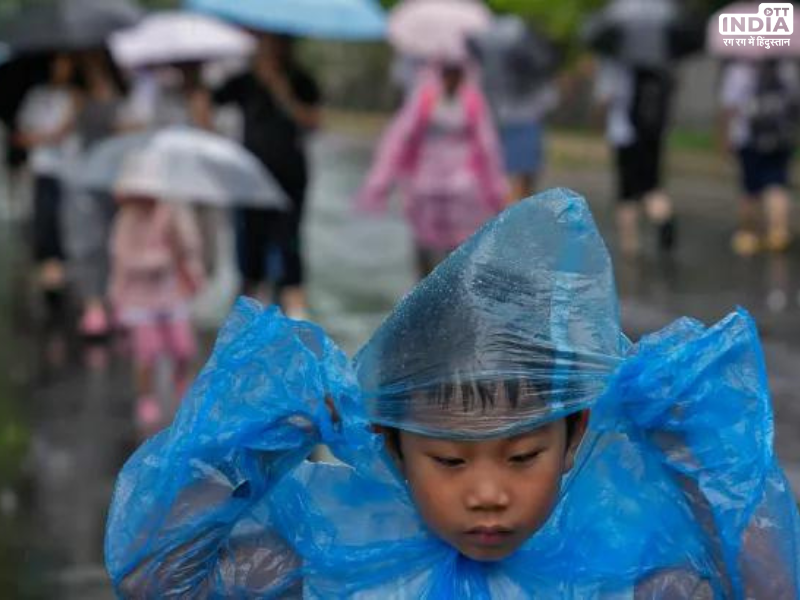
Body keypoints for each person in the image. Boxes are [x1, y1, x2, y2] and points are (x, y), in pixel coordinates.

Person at [105, 188, 799, 597]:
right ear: (392, 448)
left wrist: (699, 455)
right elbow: (157, 577)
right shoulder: (338, 559)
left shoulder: (622, 570)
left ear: (574, 437)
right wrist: (264, 437)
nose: (488, 493)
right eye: (450, 460)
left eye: (522, 456)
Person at [357, 60, 507, 278]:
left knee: (457, 249)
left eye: (456, 73)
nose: (452, 79)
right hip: (426, 184)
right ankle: (423, 287)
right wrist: (381, 181)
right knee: (423, 247)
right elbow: (400, 139)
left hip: (460, 188)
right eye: (448, 73)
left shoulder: (472, 102)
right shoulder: (425, 100)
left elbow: (487, 146)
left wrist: (496, 190)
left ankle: (448, 288)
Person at [213, 33, 322, 318]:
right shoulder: (244, 80)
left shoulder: (301, 79)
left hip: (289, 176)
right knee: (249, 253)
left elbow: (313, 122)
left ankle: (295, 315)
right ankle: (244, 319)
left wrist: (282, 91)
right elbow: (210, 105)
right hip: (249, 177)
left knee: (289, 246)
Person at [108, 153, 206, 432]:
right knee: (146, 352)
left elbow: (189, 246)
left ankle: (181, 381)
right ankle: (146, 396)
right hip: (140, 297)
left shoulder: (171, 214)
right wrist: (154, 262)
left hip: (170, 293)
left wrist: (179, 237)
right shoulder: (126, 221)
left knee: (182, 345)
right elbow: (123, 258)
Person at [14, 53, 80, 317]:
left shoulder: (76, 96)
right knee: (47, 230)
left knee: (69, 231)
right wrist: (48, 136)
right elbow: (23, 135)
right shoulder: (37, 97)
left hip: (73, 172)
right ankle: (52, 290)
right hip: (45, 171)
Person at [595, 58, 677, 256]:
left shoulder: (615, 63)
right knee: (652, 184)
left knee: (627, 191)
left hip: (623, 134)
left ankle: (630, 244)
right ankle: (663, 215)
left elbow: (604, 98)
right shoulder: (657, 61)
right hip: (652, 134)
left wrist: (598, 120)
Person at [719, 58, 800, 257]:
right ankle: (778, 233)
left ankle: (749, 235)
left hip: (748, 137)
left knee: (750, 189)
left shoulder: (739, 71)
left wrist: (723, 138)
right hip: (780, 137)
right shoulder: (787, 69)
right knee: (777, 183)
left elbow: (729, 108)